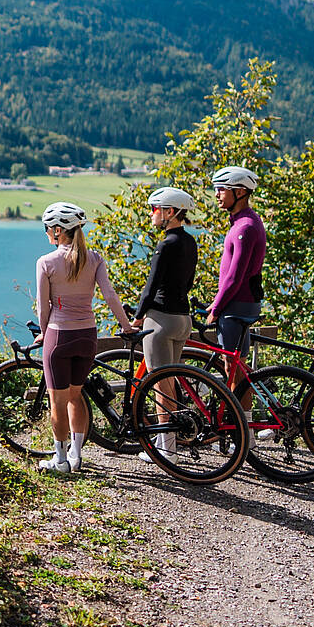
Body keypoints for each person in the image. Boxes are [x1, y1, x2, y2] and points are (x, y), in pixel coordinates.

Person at [34, 201, 135, 473]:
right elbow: (111, 297)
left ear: (57, 231)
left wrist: (43, 334)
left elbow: (44, 306)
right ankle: (76, 455)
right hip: (87, 336)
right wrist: (126, 327)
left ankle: (60, 460)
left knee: (57, 401)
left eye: (47, 228)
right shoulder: (95, 258)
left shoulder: (46, 262)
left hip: (59, 337)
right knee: (76, 396)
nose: (45, 233)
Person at [133, 186, 198, 459]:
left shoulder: (166, 244)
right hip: (183, 319)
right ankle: (167, 443)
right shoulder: (190, 242)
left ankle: (166, 449)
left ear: (170, 212)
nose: (152, 214)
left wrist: (137, 317)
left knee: (160, 383)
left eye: (155, 208)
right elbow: (189, 282)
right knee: (170, 381)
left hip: (160, 321)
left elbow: (151, 287)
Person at [205, 165, 265, 366]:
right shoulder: (243, 222)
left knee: (232, 367)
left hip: (236, 305)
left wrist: (217, 308)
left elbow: (235, 275)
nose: (217, 194)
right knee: (240, 369)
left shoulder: (245, 227)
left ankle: (235, 399)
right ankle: (241, 398)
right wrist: (216, 302)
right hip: (240, 303)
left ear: (240, 192)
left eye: (222, 189)